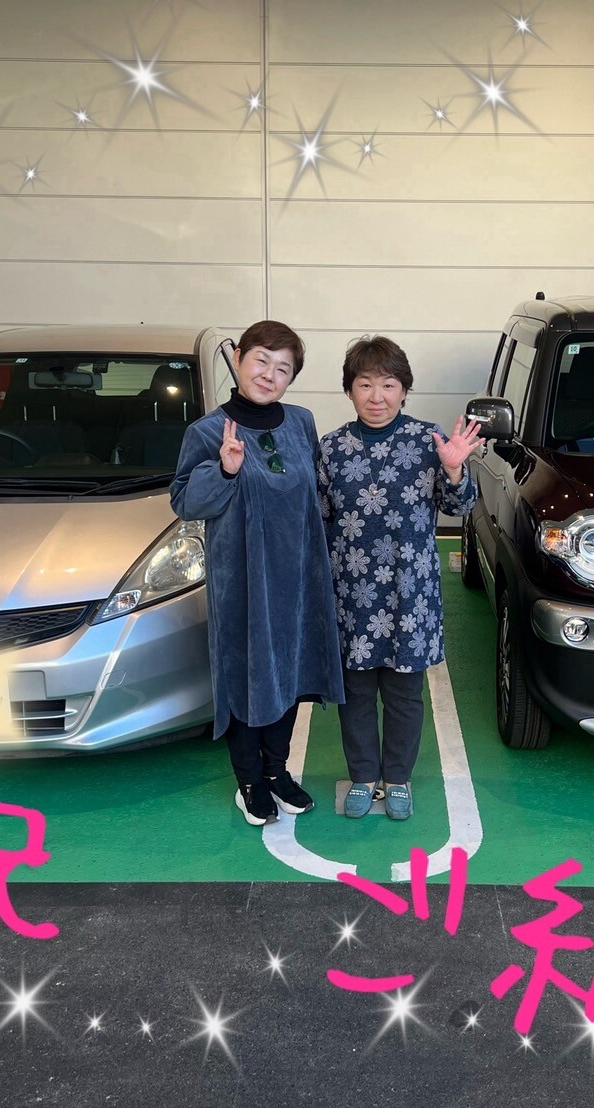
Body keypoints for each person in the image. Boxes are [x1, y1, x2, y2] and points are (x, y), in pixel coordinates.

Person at [170, 321, 344, 828]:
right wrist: (224, 469)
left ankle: (276, 771)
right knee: (248, 677)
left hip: (299, 579)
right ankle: (249, 781)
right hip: (243, 581)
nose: (269, 375)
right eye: (261, 361)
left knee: (290, 672)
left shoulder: (301, 423)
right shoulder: (207, 432)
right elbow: (186, 502)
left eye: (283, 368)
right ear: (239, 360)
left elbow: (315, 493)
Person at [317, 336, 481, 821]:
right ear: (349, 390)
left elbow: (459, 507)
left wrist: (455, 471)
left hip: (410, 593)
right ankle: (364, 776)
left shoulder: (428, 441)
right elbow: (319, 519)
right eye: (365, 384)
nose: (377, 396)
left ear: (404, 390)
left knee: (405, 694)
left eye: (388, 384)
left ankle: (398, 778)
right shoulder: (332, 448)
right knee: (356, 693)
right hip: (351, 593)